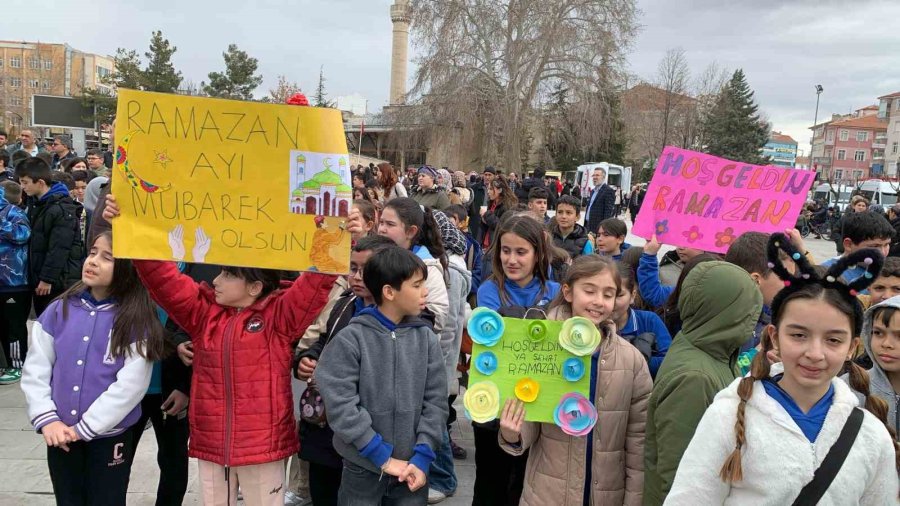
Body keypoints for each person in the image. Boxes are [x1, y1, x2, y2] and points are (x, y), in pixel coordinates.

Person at [102, 195, 338, 506]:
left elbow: (317, 279)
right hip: (213, 445)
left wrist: (336, 230)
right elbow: (162, 276)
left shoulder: (281, 318)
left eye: (228, 274)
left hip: (262, 448)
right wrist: (128, 226)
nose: (215, 279)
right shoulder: (203, 313)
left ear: (254, 287)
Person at [665, 234, 899, 505]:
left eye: (833, 340)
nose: (814, 353)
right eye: (798, 335)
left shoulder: (871, 434)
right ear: (774, 337)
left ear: (852, 347)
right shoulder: (729, 414)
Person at [21, 231, 166, 505]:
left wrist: (85, 428)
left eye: (107, 257)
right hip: (60, 435)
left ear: (126, 268)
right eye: (92, 252)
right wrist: (48, 419)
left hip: (109, 438)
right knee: (68, 498)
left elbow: (130, 386)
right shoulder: (58, 310)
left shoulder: (136, 321)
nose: (94, 261)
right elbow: (36, 371)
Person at [498, 255, 652, 505]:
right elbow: (531, 417)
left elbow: (638, 440)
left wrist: (634, 500)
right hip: (547, 493)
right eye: (589, 291)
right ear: (568, 292)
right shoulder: (542, 347)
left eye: (608, 294)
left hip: (607, 494)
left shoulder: (631, 361)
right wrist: (511, 432)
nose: (598, 302)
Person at [316, 246, 448, 504]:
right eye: (417, 285)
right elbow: (341, 404)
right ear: (389, 292)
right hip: (362, 469)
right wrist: (381, 456)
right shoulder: (352, 338)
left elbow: (436, 402)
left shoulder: (426, 338)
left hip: (413, 470)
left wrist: (422, 457)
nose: (425, 291)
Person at [643, 261, 763, 505]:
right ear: (724, 313)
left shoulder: (707, 347)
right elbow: (679, 476)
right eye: (748, 311)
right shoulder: (694, 378)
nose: (754, 321)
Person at [294, 235, 396, 506]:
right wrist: (306, 358)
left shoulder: (398, 316)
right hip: (325, 431)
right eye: (353, 268)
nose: (358, 277)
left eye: (367, 270)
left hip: (368, 431)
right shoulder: (345, 303)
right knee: (323, 492)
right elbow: (323, 342)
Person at [473, 215, 559, 506]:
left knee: (523, 484)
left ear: (538, 254)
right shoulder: (489, 290)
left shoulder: (556, 293)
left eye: (521, 252)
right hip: (494, 406)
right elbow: (494, 343)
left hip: (537, 410)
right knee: (490, 482)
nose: (511, 259)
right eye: (505, 250)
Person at [17, 158, 84, 316]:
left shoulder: (61, 208)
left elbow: (60, 247)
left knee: (55, 324)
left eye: (25, 182)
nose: (22, 187)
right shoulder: (36, 203)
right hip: (40, 276)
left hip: (59, 281)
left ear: (40, 182)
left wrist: (47, 279)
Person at [613, 263, 671, 377]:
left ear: (632, 295)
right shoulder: (587, 324)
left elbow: (670, 362)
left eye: (619, 295)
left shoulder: (649, 321)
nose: (611, 301)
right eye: (606, 294)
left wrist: (638, 357)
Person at [0, 181, 30, 385]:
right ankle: (6, 363)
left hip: (14, 282)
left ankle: (18, 365)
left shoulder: (13, 212)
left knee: (14, 326)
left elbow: (23, 235)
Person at [823, 211, 893, 288]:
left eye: (886, 244)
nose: (883, 253)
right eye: (874, 246)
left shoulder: (890, 269)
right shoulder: (827, 274)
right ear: (848, 244)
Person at [446, 204, 483, 299]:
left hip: (462, 296)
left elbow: (477, 277)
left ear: (462, 223)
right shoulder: (437, 243)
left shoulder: (473, 247)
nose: (447, 226)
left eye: (451, 221)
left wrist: (460, 287)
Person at [549, 195, 593, 265]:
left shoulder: (585, 243)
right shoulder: (548, 238)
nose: (563, 216)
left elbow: (588, 269)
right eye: (560, 212)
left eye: (568, 213)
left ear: (577, 217)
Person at [478, 177, 518, 250]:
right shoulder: (492, 203)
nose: (488, 191)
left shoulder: (507, 206)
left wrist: (486, 214)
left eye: (490, 189)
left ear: (499, 190)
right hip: (486, 245)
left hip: (497, 247)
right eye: (488, 188)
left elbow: (503, 226)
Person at [584, 167, 615, 235]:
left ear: (603, 177)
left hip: (598, 228)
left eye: (597, 175)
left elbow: (608, 212)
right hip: (587, 225)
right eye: (593, 175)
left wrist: (604, 229)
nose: (594, 177)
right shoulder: (592, 191)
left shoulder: (608, 191)